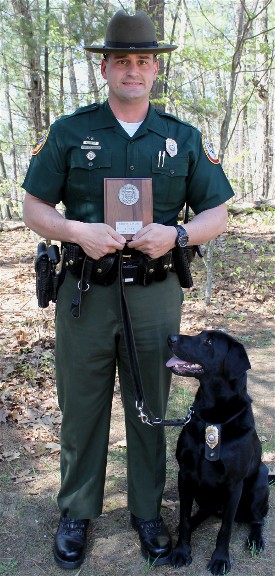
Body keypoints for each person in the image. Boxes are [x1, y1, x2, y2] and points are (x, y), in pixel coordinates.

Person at [22, 9, 234, 571]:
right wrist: (74, 231)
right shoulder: (71, 132)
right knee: (82, 406)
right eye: (122, 61)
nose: (133, 71)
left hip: (155, 292)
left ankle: (146, 510)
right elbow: (33, 207)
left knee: (152, 405)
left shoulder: (182, 137)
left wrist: (179, 232)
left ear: (155, 70)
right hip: (85, 293)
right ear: (106, 68)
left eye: (143, 61)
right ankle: (77, 510)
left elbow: (219, 211)